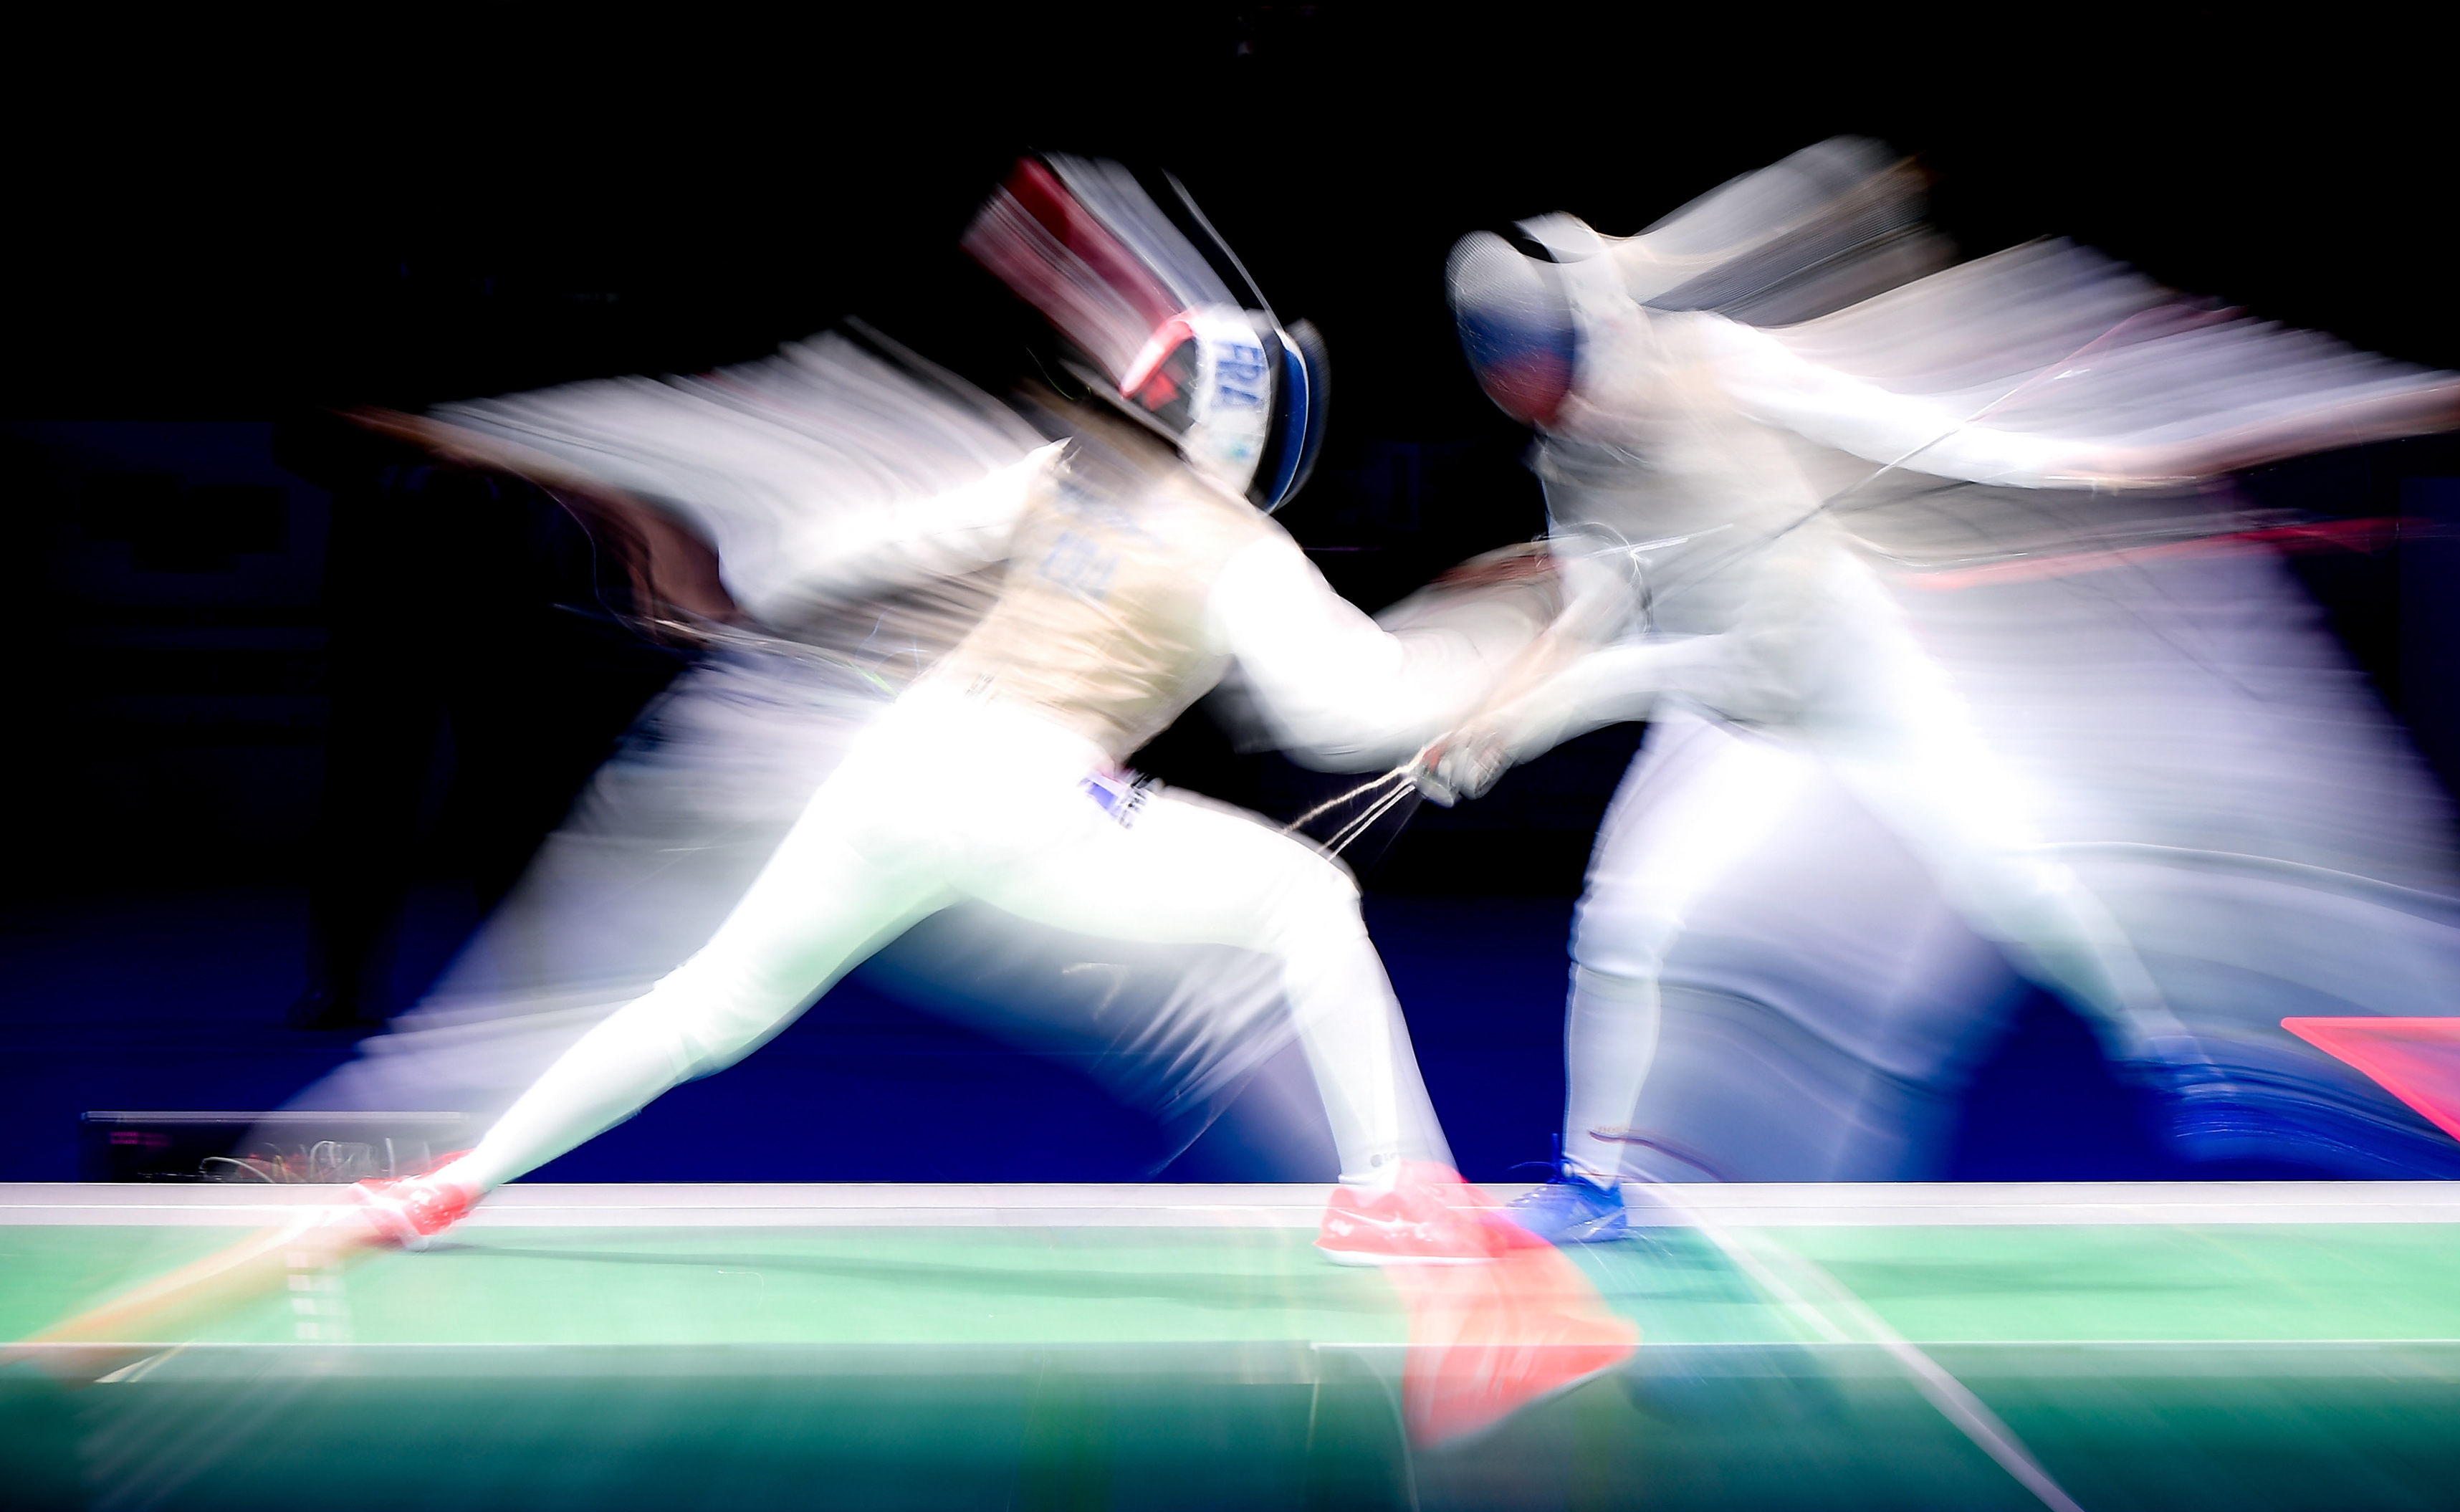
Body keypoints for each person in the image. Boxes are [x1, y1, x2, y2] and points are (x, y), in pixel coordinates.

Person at [1422, 139, 2460, 1240]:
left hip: (1861, 665)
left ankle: (2189, 1043)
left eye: (1536, 363)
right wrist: (1494, 713)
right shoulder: (1571, 452)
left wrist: (2084, 461)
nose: (1538, 394)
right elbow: (1593, 603)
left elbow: (1909, 420)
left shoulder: (1711, 359)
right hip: (1741, 708)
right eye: (1513, 381)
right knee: (1638, 921)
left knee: (2030, 871)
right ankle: (1597, 1183)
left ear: (1566, 333)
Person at [345, 156, 1586, 1267]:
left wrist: (725, 588)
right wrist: (1507, 626)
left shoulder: (1060, 476)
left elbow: (844, 553)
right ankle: (1396, 1190)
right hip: (1026, 797)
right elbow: (1352, 712)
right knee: (1308, 903)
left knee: (705, 1005)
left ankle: (449, 1183)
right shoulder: (1233, 544)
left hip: (893, 763)